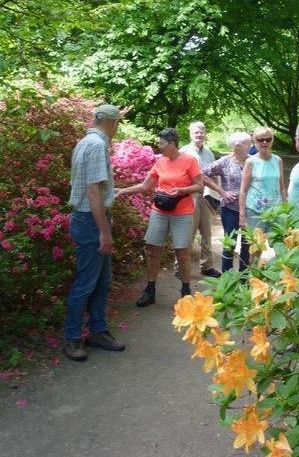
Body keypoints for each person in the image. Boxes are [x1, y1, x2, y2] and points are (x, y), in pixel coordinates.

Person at [64, 104, 126, 362]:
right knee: (86, 284)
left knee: (102, 281)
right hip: (91, 222)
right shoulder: (98, 145)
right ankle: (72, 338)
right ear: (113, 123)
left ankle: (98, 332)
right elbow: (93, 192)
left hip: (87, 220)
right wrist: (104, 232)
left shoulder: (84, 142)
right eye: (118, 124)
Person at [116, 128, 203, 307]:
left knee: (182, 253)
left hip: (182, 213)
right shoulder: (160, 162)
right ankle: (150, 290)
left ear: (172, 144)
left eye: (161, 143)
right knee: (153, 251)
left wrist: (182, 190)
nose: (159, 146)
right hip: (160, 212)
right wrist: (123, 190)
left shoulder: (189, 161)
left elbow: (199, 186)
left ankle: (186, 293)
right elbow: (146, 185)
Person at [202, 131, 252, 272]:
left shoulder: (252, 161)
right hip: (230, 209)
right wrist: (221, 191)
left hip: (249, 209)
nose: (251, 146)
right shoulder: (225, 161)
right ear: (237, 146)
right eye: (247, 143)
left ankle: (244, 278)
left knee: (247, 244)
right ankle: (227, 276)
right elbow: (201, 173)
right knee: (230, 244)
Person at [180, 121, 221, 278]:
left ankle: (207, 266)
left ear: (205, 133)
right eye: (196, 132)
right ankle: (180, 268)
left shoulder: (209, 153)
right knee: (187, 234)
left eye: (201, 132)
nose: (199, 134)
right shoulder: (184, 151)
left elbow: (213, 174)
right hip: (189, 196)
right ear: (190, 133)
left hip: (206, 196)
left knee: (207, 233)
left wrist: (216, 196)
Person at [239, 126, 287, 233]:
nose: (264, 142)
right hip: (255, 210)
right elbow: (243, 191)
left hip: (276, 210)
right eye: (260, 140)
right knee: (257, 247)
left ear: (272, 141)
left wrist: (285, 208)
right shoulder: (250, 162)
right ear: (255, 141)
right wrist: (242, 216)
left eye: (268, 139)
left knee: (279, 244)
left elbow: (282, 187)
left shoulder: (278, 160)